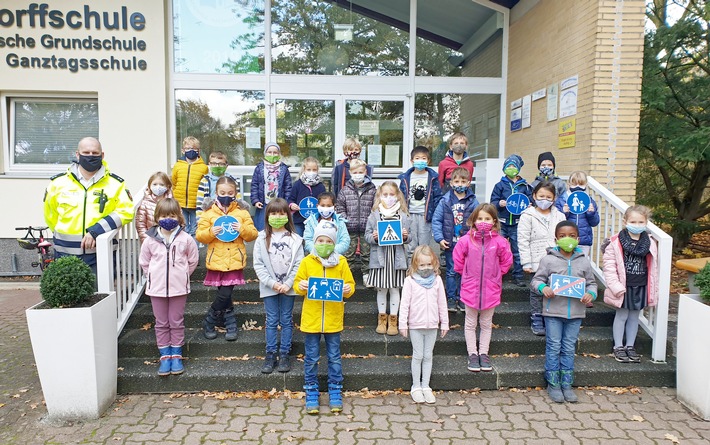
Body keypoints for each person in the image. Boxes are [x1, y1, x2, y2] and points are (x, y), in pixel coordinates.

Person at [43, 137, 134, 273]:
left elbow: (126, 212)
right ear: (77, 154)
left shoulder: (116, 184)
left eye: (95, 153)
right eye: (86, 153)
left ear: (102, 155)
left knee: (100, 293)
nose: (90, 156)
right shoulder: (58, 183)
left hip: (100, 254)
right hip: (64, 254)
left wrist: (96, 230)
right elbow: (51, 215)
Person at [531, 221, 597, 403]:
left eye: (572, 235)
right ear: (556, 239)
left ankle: (566, 383)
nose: (567, 239)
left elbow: (591, 283)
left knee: (568, 348)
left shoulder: (583, 260)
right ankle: (553, 383)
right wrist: (543, 288)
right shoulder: (548, 260)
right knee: (553, 347)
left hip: (576, 313)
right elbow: (536, 281)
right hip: (553, 312)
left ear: (578, 238)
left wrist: (591, 293)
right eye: (562, 236)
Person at [294, 220, 356, 415]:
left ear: (334, 243)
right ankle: (311, 390)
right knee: (311, 357)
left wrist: (347, 289)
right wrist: (300, 286)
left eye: (328, 241)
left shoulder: (342, 262)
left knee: (334, 358)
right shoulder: (306, 261)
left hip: (333, 319)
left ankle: (335, 390)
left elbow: (350, 286)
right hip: (311, 320)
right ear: (314, 241)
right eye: (320, 240)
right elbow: (297, 284)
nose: (324, 244)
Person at [139, 198, 199, 376]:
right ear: (157, 217)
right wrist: (153, 276)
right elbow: (144, 262)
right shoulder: (150, 240)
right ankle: (165, 356)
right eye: (164, 215)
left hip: (178, 289)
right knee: (161, 322)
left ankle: (176, 354)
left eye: (172, 215)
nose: (168, 218)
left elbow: (193, 260)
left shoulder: (185, 238)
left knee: (176, 321)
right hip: (156, 289)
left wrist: (182, 275)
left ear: (178, 217)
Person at [196, 176, 258, 341]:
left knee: (224, 294)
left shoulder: (242, 212)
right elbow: (200, 236)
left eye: (230, 193)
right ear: (216, 192)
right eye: (222, 192)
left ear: (235, 193)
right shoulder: (208, 213)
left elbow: (253, 234)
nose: (226, 195)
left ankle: (209, 320)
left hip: (234, 260)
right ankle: (230, 324)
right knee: (224, 296)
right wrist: (211, 232)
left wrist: (242, 228)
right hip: (216, 259)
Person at [454, 203, 513, 373]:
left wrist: (496, 275)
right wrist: (466, 274)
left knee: (486, 324)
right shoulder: (466, 240)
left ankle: (483, 354)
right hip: (470, 287)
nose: (483, 221)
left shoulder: (499, 242)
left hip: (491, 289)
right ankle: (473, 354)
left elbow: (506, 261)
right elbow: (458, 259)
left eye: (487, 218)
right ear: (473, 220)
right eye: (480, 218)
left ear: (494, 221)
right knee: (470, 323)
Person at [253, 198, 304, 374]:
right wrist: (272, 283)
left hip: (288, 287)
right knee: (272, 320)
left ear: (287, 215)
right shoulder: (261, 238)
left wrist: (288, 283)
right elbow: (258, 264)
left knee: (287, 320)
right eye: (274, 213)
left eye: (282, 213)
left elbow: (299, 264)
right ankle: (270, 353)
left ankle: (284, 354)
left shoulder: (296, 239)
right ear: (267, 215)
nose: (277, 216)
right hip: (269, 287)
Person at [602, 205, 658, 364]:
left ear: (646, 222)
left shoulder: (650, 242)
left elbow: (654, 267)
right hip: (623, 286)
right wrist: (616, 287)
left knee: (634, 317)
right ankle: (618, 346)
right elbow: (609, 267)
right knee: (622, 315)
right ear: (625, 221)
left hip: (640, 285)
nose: (638, 224)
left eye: (641, 221)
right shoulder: (615, 242)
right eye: (634, 221)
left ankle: (630, 346)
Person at [399, 245, 448, 404]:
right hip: (415, 325)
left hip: (432, 325)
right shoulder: (410, 281)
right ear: (415, 265)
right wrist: (403, 324)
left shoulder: (437, 280)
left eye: (429, 264)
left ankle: (426, 386)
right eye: (422, 265)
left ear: (434, 264)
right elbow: (404, 304)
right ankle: (416, 386)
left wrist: (445, 323)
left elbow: (442, 302)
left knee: (428, 356)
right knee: (418, 355)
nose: (426, 268)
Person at [518, 181, 567, 336]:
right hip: (536, 258)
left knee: (554, 289)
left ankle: (551, 316)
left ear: (554, 198)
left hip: (556, 259)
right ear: (534, 196)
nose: (544, 199)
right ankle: (537, 317)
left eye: (548, 197)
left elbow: (564, 237)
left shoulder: (560, 215)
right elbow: (523, 239)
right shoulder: (527, 215)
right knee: (537, 290)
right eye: (541, 196)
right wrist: (526, 262)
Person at [365, 181, 412, 335]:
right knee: (381, 289)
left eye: (392, 195)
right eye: (385, 195)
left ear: (397, 196)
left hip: (396, 259)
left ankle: (393, 320)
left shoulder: (403, 216)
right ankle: (382, 318)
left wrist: (405, 236)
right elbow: (367, 236)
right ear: (380, 196)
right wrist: (374, 237)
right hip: (380, 259)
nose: (388, 198)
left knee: (394, 289)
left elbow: (410, 237)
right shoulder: (374, 215)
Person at [432, 167, 479, 312]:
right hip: (450, 243)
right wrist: (439, 238)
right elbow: (437, 220)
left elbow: (477, 220)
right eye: (457, 181)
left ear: (468, 183)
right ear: (451, 183)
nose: (460, 184)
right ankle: (452, 298)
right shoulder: (445, 200)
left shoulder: (473, 201)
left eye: (463, 181)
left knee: (466, 271)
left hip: (468, 244)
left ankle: (464, 297)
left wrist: (475, 239)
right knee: (452, 271)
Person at [490, 154, 533, 287]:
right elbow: (493, 202)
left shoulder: (524, 186)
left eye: (514, 166)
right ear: (504, 168)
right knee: (497, 249)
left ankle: (518, 276)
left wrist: (529, 205)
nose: (511, 168)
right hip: (502, 222)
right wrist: (499, 203)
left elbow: (530, 200)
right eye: (509, 166)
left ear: (519, 168)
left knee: (517, 250)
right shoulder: (500, 185)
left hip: (517, 223)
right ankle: (497, 274)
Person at [336, 159, 377, 284]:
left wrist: (371, 221)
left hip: (366, 228)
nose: (358, 174)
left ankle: (367, 275)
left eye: (361, 171)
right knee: (348, 254)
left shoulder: (372, 189)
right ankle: (346, 276)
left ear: (365, 172)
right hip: (349, 228)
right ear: (350, 172)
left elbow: (376, 207)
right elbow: (339, 207)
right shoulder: (345, 190)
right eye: (355, 172)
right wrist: (345, 219)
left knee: (367, 253)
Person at [398, 146, 442, 259]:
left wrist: (434, 215)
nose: (420, 160)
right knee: (410, 244)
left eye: (423, 158)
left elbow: (437, 197)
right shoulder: (405, 178)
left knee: (424, 245)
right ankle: (410, 270)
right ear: (412, 161)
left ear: (428, 161)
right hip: (409, 215)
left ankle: (423, 268)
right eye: (417, 158)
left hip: (425, 216)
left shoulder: (433, 178)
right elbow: (400, 196)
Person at [555, 171, 600, 257]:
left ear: (586, 185)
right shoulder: (562, 200)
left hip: (583, 241)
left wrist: (591, 213)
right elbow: (556, 221)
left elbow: (595, 222)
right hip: (565, 239)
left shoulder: (589, 201)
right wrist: (563, 212)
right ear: (569, 184)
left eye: (581, 184)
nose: (578, 187)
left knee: (581, 264)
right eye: (574, 184)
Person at [171, 136, 209, 238]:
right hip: (180, 203)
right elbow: (174, 182)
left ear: (198, 151)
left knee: (195, 227)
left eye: (194, 149)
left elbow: (205, 184)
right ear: (183, 150)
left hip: (196, 203)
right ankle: (183, 248)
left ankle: (194, 249)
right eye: (188, 148)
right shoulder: (178, 166)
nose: (191, 151)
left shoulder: (203, 167)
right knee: (183, 227)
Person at [251, 142, 293, 231]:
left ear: (279, 154)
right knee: (263, 228)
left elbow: (288, 187)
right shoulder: (259, 168)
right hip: (264, 203)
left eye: (275, 152)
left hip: (279, 204)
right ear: (265, 153)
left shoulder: (284, 169)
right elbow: (254, 185)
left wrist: (286, 202)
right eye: (269, 152)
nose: (272, 154)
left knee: (278, 227)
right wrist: (255, 200)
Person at [288, 157, 326, 236]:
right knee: (298, 241)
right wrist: (291, 205)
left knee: (313, 243)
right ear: (304, 170)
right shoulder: (297, 184)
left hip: (316, 221)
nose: (311, 172)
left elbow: (324, 201)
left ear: (317, 170)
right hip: (299, 221)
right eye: (309, 170)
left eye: (314, 170)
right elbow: (290, 199)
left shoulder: (321, 186)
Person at [196, 151, 238, 220]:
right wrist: (199, 219)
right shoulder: (205, 181)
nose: (217, 166)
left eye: (221, 164)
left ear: (226, 165)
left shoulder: (232, 181)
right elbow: (200, 202)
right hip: (210, 216)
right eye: (214, 164)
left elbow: (238, 201)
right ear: (209, 164)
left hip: (229, 215)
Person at [135, 172, 173, 244]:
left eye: (161, 184)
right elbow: (140, 224)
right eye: (155, 184)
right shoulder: (145, 203)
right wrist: (147, 241)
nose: (158, 187)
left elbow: (180, 221)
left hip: (169, 241)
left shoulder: (172, 202)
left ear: (167, 186)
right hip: (151, 242)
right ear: (149, 186)